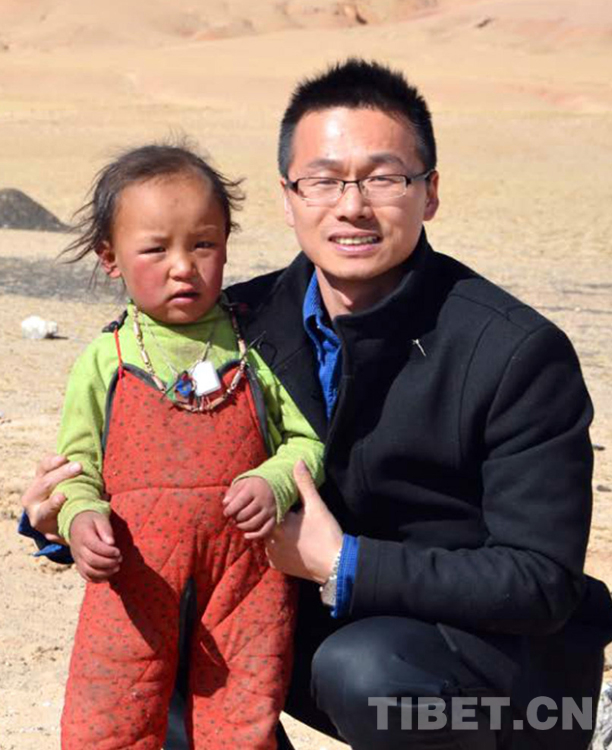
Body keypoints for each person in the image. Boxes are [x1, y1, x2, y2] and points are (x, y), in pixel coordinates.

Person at [22, 60, 612, 750]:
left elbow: (540, 582)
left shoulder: (515, 352)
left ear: (430, 193)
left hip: (499, 681)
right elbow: (157, 483)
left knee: (365, 671)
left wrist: (344, 562)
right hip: (301, 624)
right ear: (288, 197)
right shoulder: (231, 328)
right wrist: (63, 518)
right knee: (173, 641)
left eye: (384, 178)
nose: (351, 206)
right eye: (324, 180)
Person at [22, 143, 324, 750]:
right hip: (131, 582)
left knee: (243, 713)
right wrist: (80, 519)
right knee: (111, 713)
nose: (183, 266)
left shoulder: (254, 347)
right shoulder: (104, 360)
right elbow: (76, 473)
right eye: (156, 249)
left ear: (227, 244)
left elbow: (304, 441)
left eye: (203, 244)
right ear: (110, 258)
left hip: (245, 580)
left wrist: (272, 481)